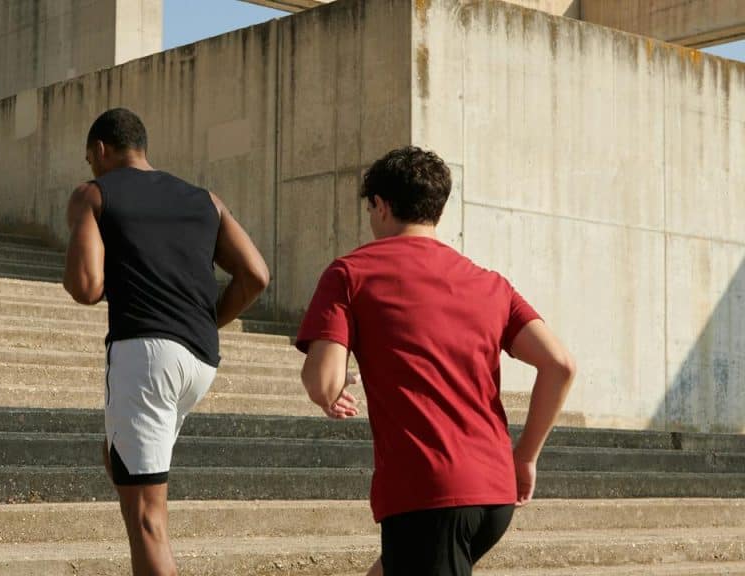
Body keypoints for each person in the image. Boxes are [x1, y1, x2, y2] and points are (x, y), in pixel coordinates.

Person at [295, 146, 576, 576]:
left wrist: (331, 392)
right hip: (494, 491)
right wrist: (526, 457)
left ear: (381, 205)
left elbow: (321, 381)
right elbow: (559, 364)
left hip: (429, 493)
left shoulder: (350, 273)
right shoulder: (490, 283)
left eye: (371, 208)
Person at [64, 108, 270, 576]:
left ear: (100, 151)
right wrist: (204, 320)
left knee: (147, 518)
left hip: (146, 355)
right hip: (199, 360)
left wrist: (81, 224)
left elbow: (86, 288)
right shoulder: (206, 200)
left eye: (90, 159)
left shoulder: (93, 194)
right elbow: (256, 274)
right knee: (120, 462)